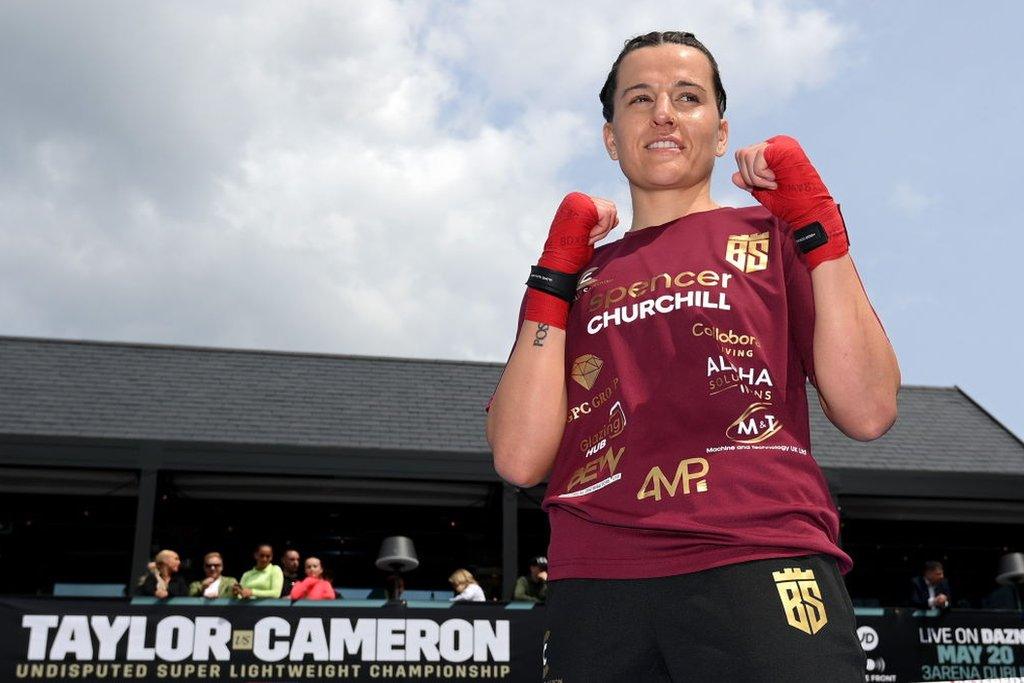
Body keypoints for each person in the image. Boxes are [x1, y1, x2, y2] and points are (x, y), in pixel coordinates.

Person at [486, 31, 900, 682]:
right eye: (639, 99)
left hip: (759, 554)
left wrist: (818, 225)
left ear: (718, 129)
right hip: (597, 580)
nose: (663, 113)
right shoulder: (578, 275)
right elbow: (517, 456)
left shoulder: (771, 238)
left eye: (688, 97)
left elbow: (869, 408)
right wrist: (553, 275)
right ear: (611, 137)